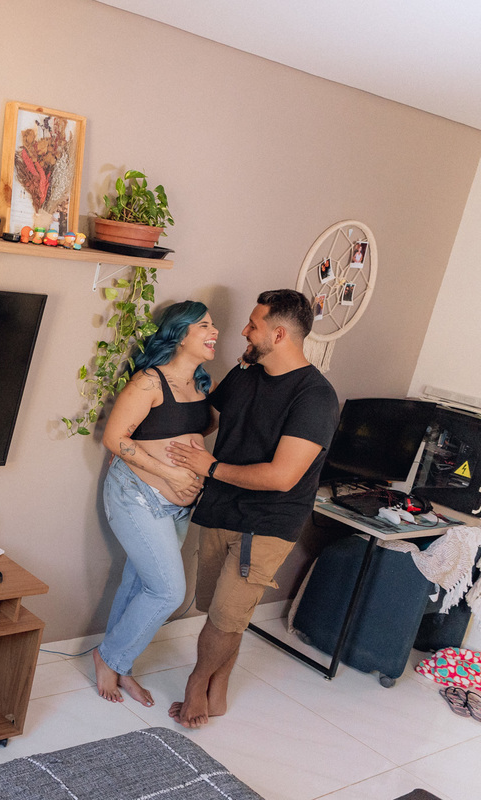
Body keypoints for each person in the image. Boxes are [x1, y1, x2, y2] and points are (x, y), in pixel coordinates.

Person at [165, 289, 338, 728]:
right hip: (219, 508)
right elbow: (208, 418)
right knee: (221, 612)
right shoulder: (246, 373)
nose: (243, 331)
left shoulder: (315, 397)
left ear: (278, 335)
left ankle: (196, 684)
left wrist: (210, 467)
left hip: (267, 522)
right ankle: (218, 690)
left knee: (226, 615)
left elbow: (282, 476)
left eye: (253, 325)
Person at [94, 301, 218, 706]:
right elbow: (114, 438)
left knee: (139, 582)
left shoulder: (202, 385)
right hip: (136, 495)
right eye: (204, 325)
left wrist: (191, 465)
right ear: (180, 334)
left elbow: (186, 429)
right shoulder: (150, 381)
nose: (214, 332)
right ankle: (108, 657)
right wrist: (171, 473)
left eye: (213, 325)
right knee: (168, 591)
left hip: (178, 506)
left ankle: (121, 666)